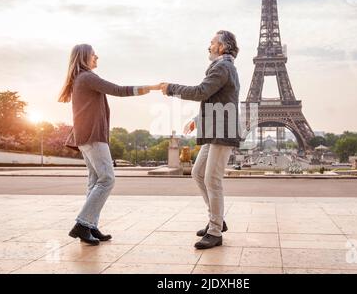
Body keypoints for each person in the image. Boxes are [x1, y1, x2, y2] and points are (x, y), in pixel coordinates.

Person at [58, 44, 155, 245]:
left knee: (95, 181)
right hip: (93, 136)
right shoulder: (87, 77)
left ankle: (90, 226)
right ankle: (82, 224)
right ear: (85, 57)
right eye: (94, 55)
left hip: (86, 136)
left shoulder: (80, 78)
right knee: (107, 179)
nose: (97, 57)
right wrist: (149, 88)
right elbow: (118, 90)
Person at [158, 30, 241, 249]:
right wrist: (197, 118)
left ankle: (215, 231)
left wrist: (171, 89)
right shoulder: (223, 66)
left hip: (222, 131)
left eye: (212, 42)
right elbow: (219, 98)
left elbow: (202, 91)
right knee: (198, 173)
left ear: (222, 47)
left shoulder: (223, 67)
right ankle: (217, 219)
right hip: (216, 129)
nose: (209, 45)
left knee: (212, 179)